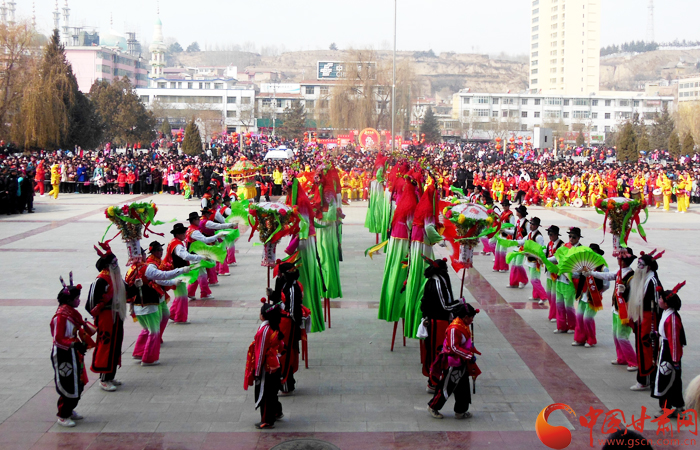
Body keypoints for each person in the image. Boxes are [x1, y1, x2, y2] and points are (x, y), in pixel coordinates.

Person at [126, 243, 190, 366]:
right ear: (141, 256)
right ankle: (149, 358)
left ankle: (139, 352)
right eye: (144, 254)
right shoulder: (147, 268)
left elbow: (158, 279)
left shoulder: (131, 270)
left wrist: (172, 281)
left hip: (137, 306)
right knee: (154, 332)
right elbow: (163, 275)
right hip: (149, 305)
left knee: (147, 329)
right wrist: (181, 270)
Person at [427, 302, 480, 420]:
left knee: (463, 388)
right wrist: (468, 355)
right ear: (466, 317)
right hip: (452, 363)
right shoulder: (454, 328)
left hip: (461, 362)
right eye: (471, 317)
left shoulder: (463, 324)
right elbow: (453, 348)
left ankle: (461, 411)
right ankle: (433, 406)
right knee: (446, 387)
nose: (472, 319)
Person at [51, 274, 91, 427]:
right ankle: (63, 414)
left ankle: (70, 409)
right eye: (76, 298)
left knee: (77, 382)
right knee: (69, 384)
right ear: (68, 300)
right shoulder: (61, 316)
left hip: (73, 352)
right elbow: (58, 339)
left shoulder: (71, 312)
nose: (78, 301)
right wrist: (74, 345)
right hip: (63, 354)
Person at [419, 257, 461, 394]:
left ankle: (439, 379)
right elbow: (444, 306)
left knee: (440, 352)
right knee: (437, 353)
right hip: (437, 322)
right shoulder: (436, 283)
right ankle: (433, 382)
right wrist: (459, 303)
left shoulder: (438, 280)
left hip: (440, 321)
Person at [88, 243, 126, 392]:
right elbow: (91, 304)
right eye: (114, 263)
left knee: (116, 345)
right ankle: (103, 379)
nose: (117, 265)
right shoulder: (101, 280)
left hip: (117, 315)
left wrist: (136, 285)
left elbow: (126, 290)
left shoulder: (116, 278)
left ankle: (110, 375)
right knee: (107, 346)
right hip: (106, 317)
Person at [627, 252, 663, 391]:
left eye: (640, 265)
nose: (638, 268)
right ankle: (645, 378)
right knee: (642, 348)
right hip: (642, 317)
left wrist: (654, 326)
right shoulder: (644, 278)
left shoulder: (653, 281)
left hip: (649, 319)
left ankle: (646, 379)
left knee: (647, 348)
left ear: (648, 267)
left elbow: (656, 306)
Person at [246, 303, 284, 429]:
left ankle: (267, 420)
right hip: (275, 365)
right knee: (272, 391)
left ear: (263, 315)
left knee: (266, 393)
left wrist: (256, 371)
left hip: (267, 368)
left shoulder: (265, 330)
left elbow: (261, 351)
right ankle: (277, 411)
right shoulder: (274, 326)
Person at [651, 282, 686, 418]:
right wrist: (656, 334)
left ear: (666, 303)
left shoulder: (672, 319)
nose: (659, 300)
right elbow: (666, 334)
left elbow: (674, 341)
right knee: (670, 380)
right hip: (665, 350)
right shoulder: (667, 313)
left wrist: (675, 361)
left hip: (670, 354)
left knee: (668, 380)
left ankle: (670, 408)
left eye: (660, 298)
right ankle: (675, 407)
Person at [268, 262, 303, 395]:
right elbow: (279, 300)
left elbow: (292, 310)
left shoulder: (293, 287)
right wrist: (272, 295)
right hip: (282, 322)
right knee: (279, 351)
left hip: (288, 323)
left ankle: (286, 383)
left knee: (286, 353)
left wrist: (282, 308)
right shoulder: (283, 283)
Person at [162, 223, 207, 323]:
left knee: (179, 294)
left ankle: (173, 313)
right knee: (182, 295)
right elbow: (185, 256)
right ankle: (180, 318)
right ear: (178, 234)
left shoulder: (174, 242)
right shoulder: (177, 245)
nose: (184, 234)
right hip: (177, 272)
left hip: (175, 271)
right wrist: (200, 257)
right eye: (183, 233)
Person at [572, 244, 609, 348]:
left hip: (593, 297)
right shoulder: (584, 266)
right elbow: (574, 275)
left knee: (587, 318)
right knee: (579, 317)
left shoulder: (603, 268)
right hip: (583, 295)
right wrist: (577, 272)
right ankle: (580, 339)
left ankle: (591, 339)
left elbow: (606, 284)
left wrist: (598, 292)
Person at [504, 205, 529, 288]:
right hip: (516, 245)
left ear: (521, 213)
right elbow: (513, 232)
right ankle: (514, 282)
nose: (516, 212)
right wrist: (504, 230)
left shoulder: (526, 223)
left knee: (518, 264)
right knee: (514, 264)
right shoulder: (518, 222)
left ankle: (524, 280)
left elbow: (529, 235)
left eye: (518, 211)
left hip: (522, 247)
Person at [544, 226, 564, 320]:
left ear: (556, 234)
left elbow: (558, 258)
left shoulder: (562, 245)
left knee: (554, 295)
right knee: (549, 294)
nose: (549, 236)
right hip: (549, 273)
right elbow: (547, 253)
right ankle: (553, 313)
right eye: (549, 234)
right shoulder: (550, 243)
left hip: (557, 274)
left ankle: (555, 315)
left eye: (551, 234)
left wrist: (545, 260)